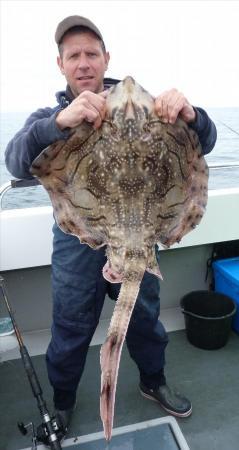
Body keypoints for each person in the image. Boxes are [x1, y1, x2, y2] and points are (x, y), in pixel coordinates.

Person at [5, 15, 217, 440]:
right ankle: (63, 401)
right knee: (70, 322)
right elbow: (15, 161)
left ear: (106, 59)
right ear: (61, 64)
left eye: (91, 54)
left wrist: (192, 114)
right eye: (73, 56)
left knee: (145, 318)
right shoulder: (51, 116)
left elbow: (204, 143)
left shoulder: (151, 109)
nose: (83, 63)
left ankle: (152, 380)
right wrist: (59, 123)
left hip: (140, 239)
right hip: (77, 239)